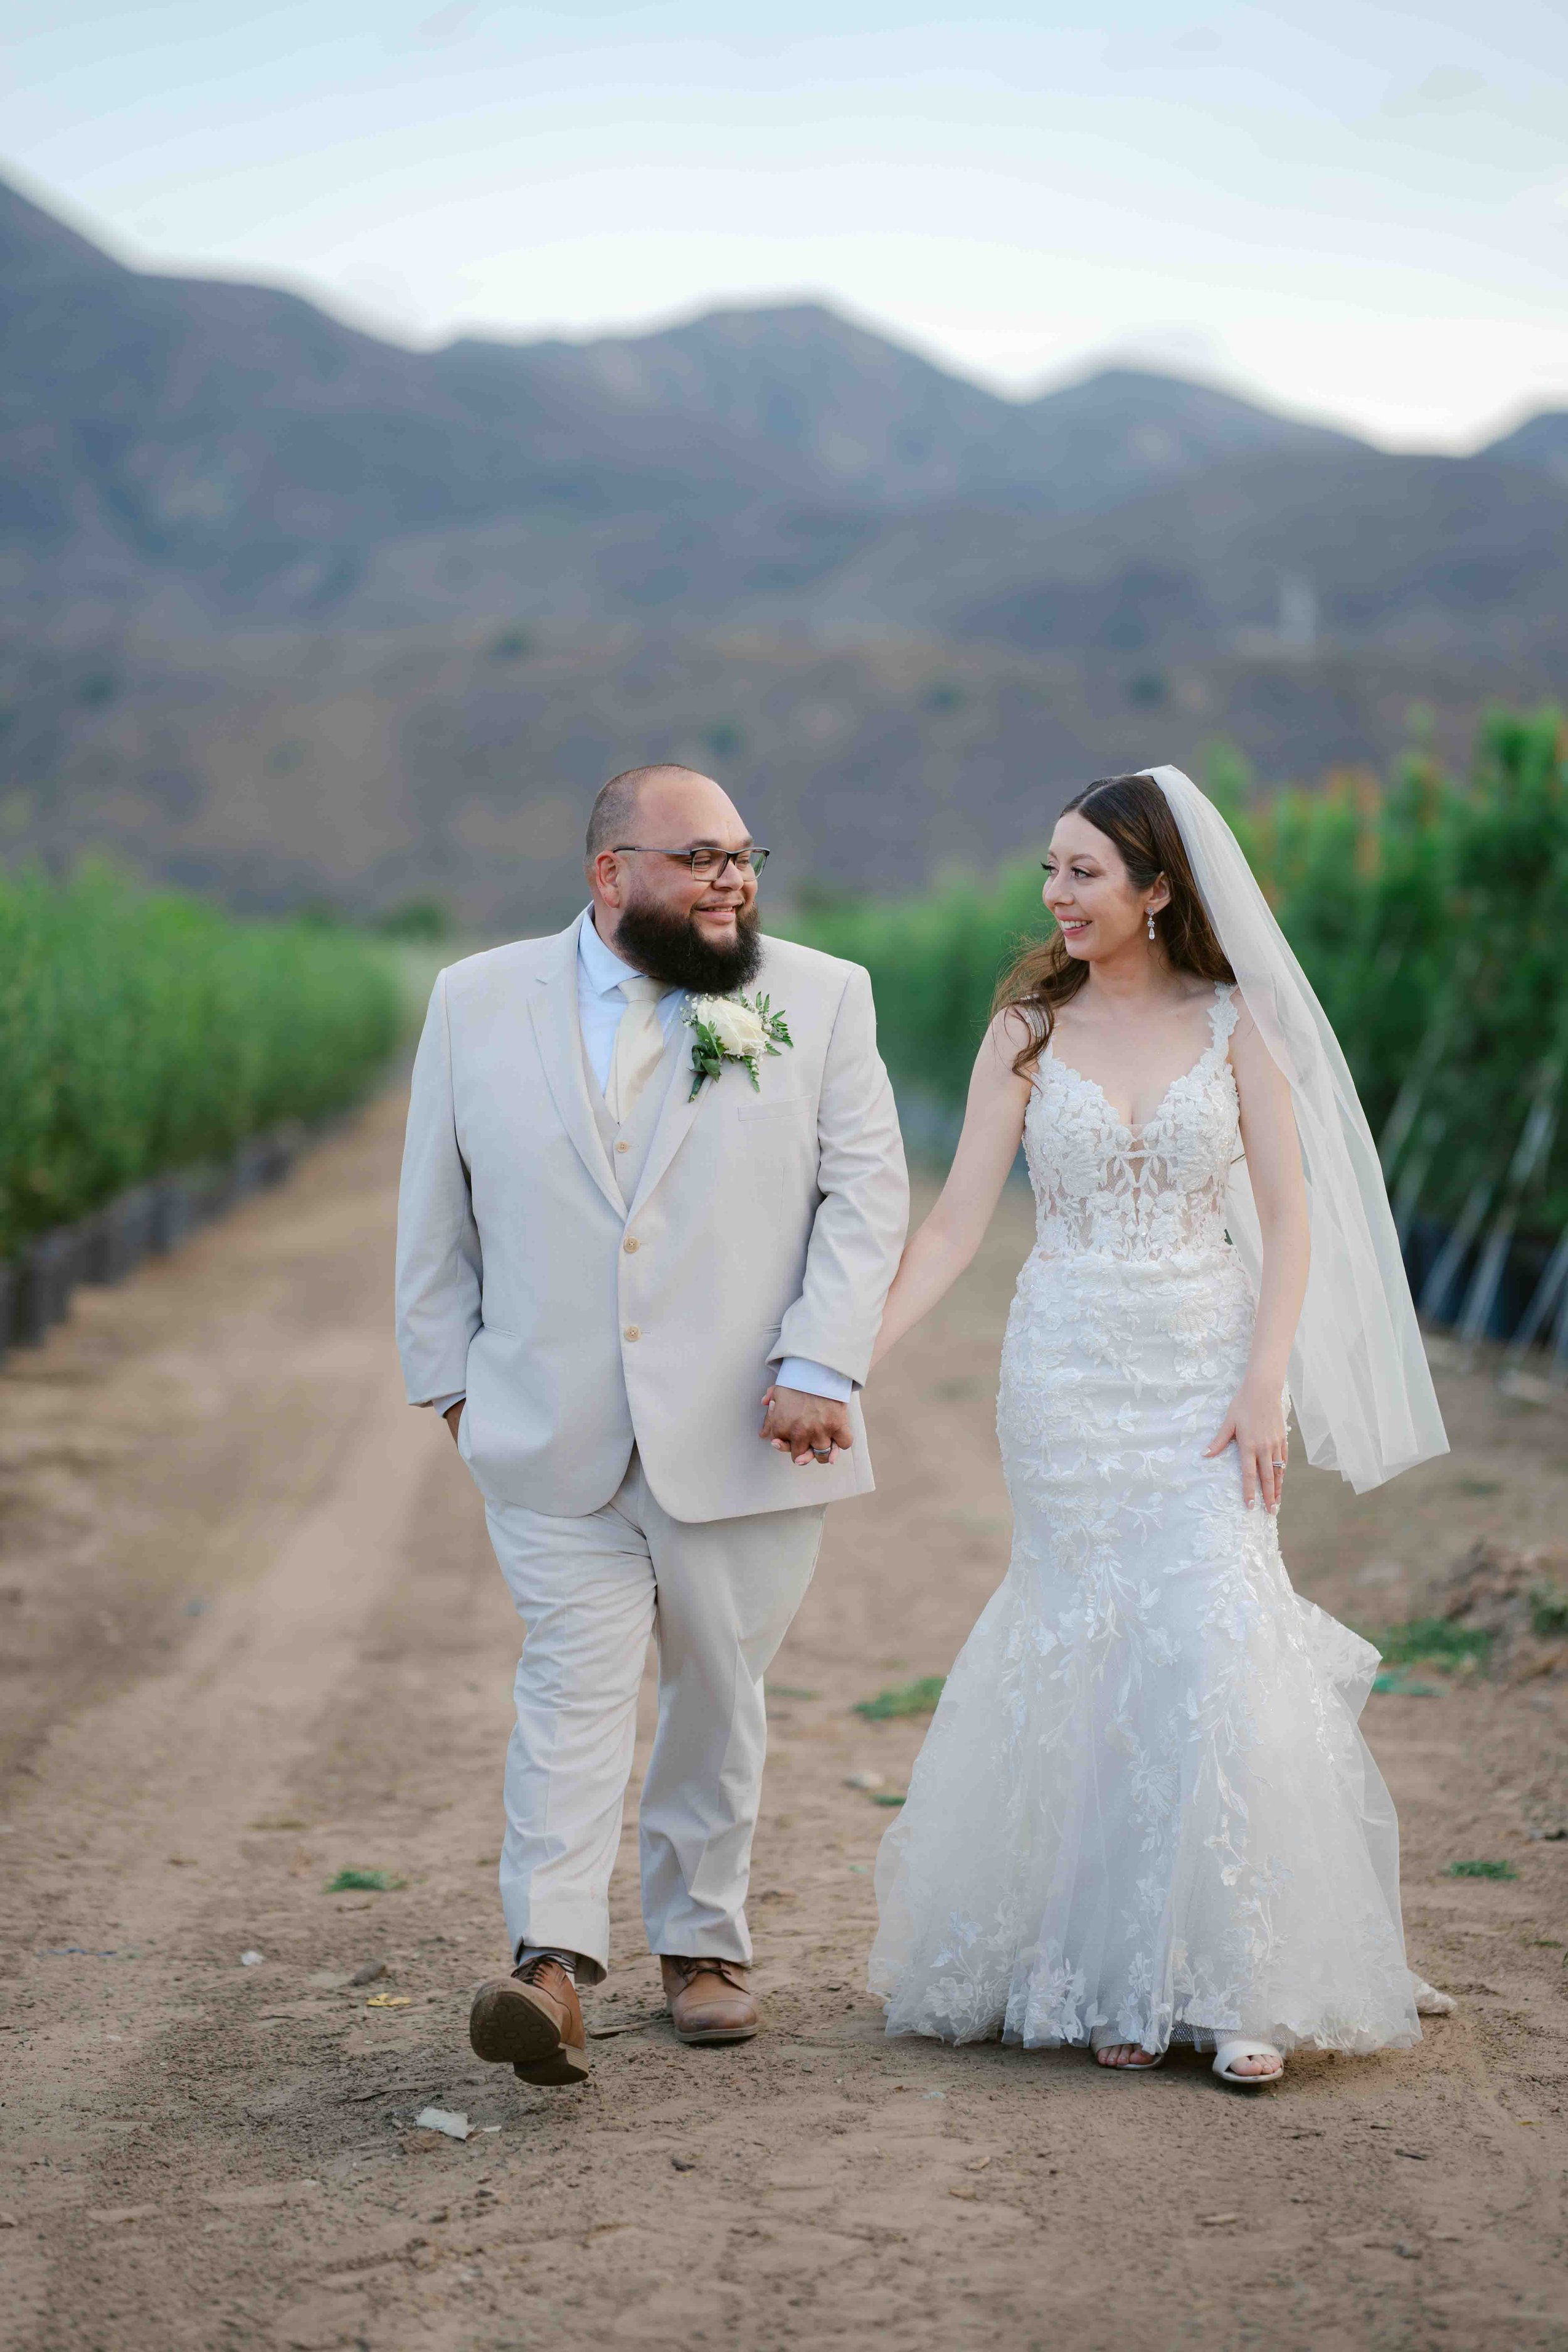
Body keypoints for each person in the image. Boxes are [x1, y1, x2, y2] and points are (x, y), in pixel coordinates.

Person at [866, 766, 1451, 2089]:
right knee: (1088, 1639)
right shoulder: (1024, 1025)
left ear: (1156, 888)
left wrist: (1264, 1382)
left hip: (1202, 1363)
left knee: (1206, 1631)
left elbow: (1291, 1221)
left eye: (1081, 872)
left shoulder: (1236, 1022)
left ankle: (1235, 1978)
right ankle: (1105, 1969)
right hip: (1063, 1368)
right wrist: (851, 1364)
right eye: (1048, 871)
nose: (1055, 896)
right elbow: (957, 1219)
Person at [396, 761, 907, 2087]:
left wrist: (822, 1365)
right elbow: (433, 1214)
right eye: (697, 856)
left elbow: (864, 1203)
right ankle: (550, 1967)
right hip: (545, 1427)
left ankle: (701, 1942)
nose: (730, 877)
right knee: (569, 1688)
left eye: (742, 853)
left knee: (716, 1696)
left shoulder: (818, 997)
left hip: (753, 1426)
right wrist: (450, 1385)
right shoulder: (474, 1000)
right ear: (608, 872)